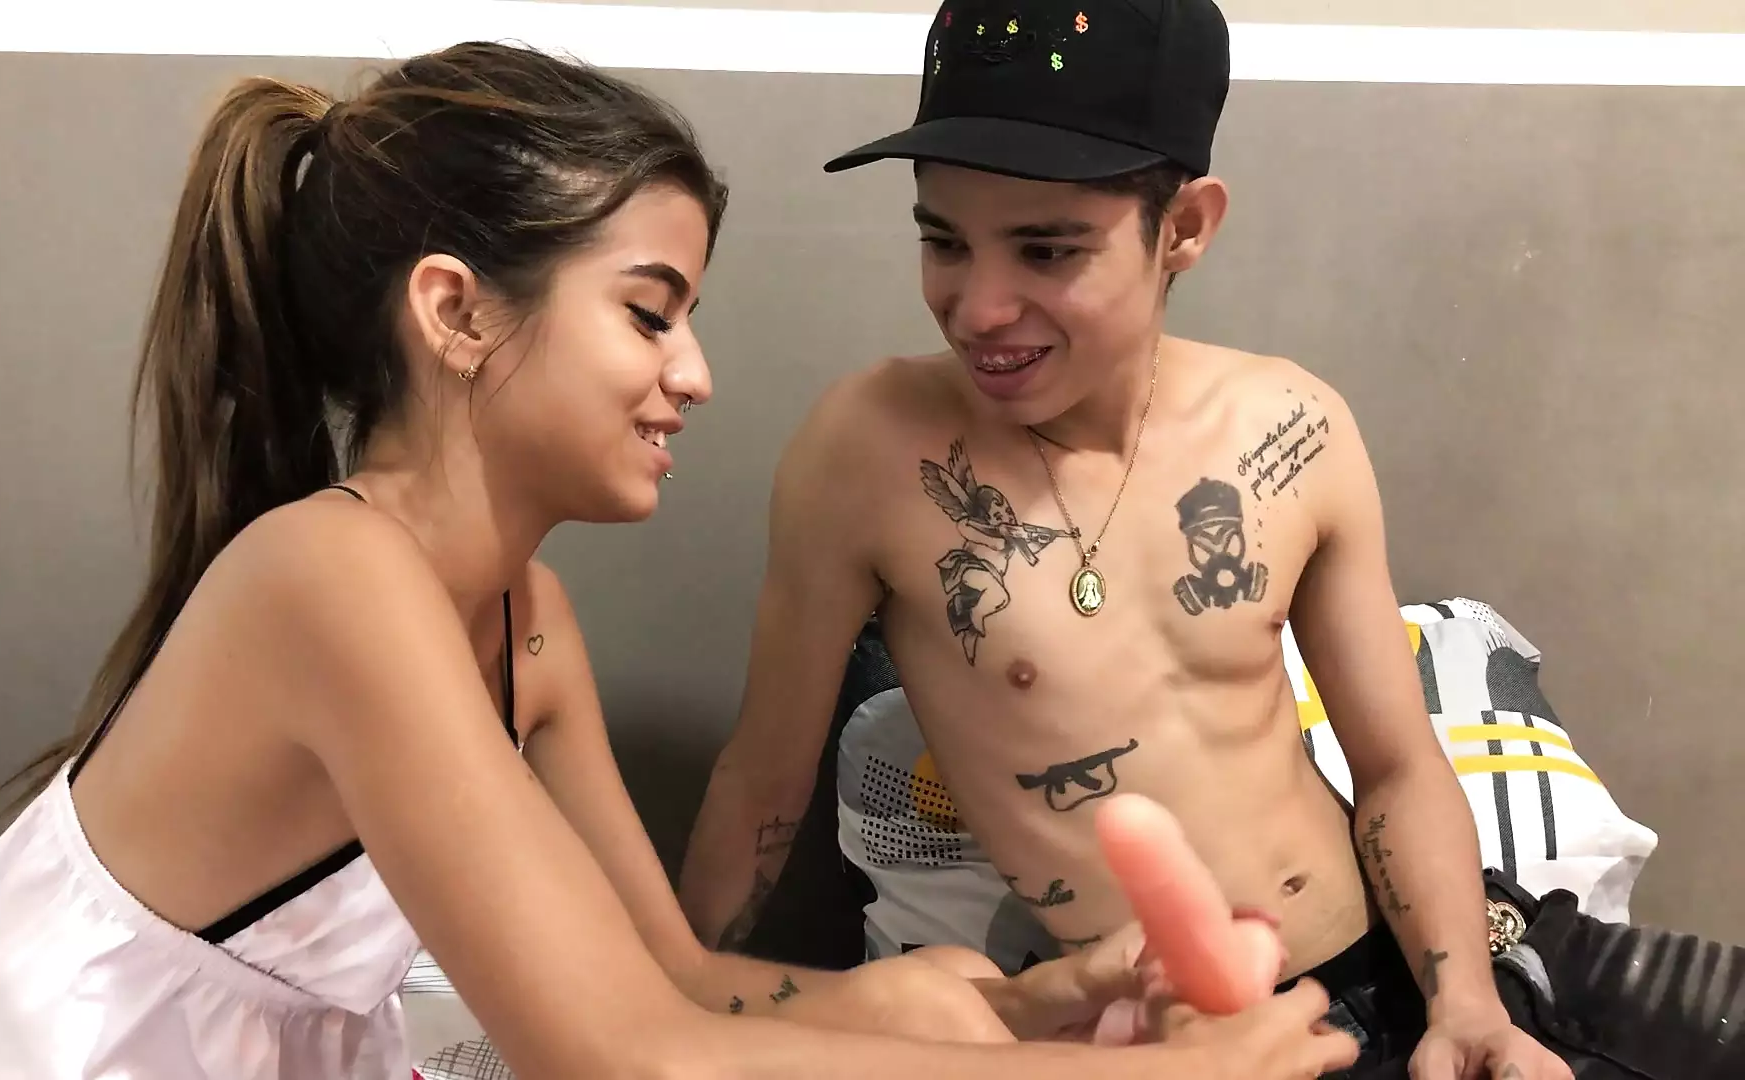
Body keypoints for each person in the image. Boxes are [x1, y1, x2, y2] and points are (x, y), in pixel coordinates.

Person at [0, 40, 1359, 1080]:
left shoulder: (531, 621)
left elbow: (677, 986)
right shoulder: (329, 579)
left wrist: (1032, 1009)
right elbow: (620, 1055)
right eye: (649, 314)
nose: (693, 374)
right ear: (456, 314)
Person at [677, 2, 1745, 1079]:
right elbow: (762, 786)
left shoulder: (1291, 427)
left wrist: (1463, 998)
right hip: (1167, 1035)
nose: (979, 307)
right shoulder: (864, 455)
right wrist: (671, 1015)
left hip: (1416, 963)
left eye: (1046, 249)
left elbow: (1395, 764)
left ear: (1184, 226)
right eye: (943, 241)